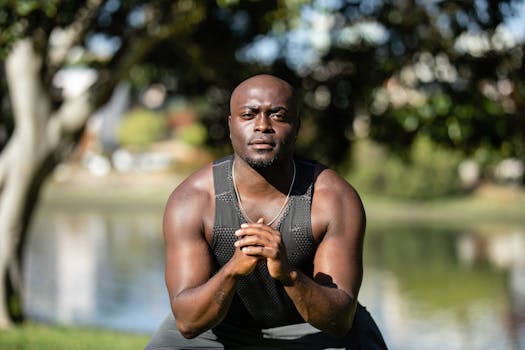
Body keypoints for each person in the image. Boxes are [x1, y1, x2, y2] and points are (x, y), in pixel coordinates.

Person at [146, 74, 387, 349]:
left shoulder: (334, 198)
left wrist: (289, 273)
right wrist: (233, 271)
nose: (262, 126)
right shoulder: (192, 200)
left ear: (296, 127)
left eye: (278, 116)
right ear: (230, 124)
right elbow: (188, 323)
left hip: (315, 332)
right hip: (218, 332)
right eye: (248, 115)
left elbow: (340, 319)